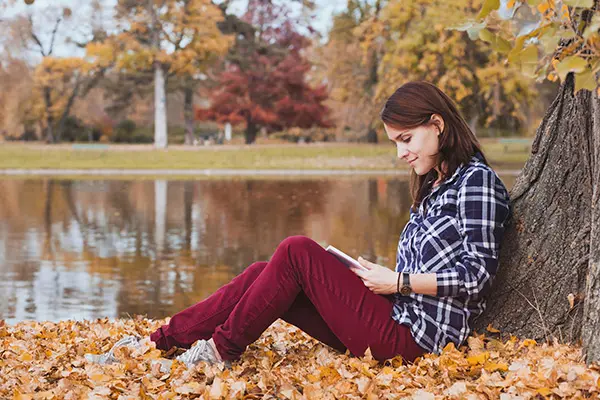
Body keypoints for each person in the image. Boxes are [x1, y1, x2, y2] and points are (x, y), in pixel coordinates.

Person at [86, 81, 511, 369]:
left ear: (436, 125)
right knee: (262, 274)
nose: (401, 154)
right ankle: (157, 344)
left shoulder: (476, 182)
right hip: (394, 316)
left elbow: (477, 277)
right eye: (395, 143)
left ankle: (220, 351)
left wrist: (398, 282)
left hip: (416, 342)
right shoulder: (435, 186)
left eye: (406, 140)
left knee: (295, 250)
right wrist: (373, 277)